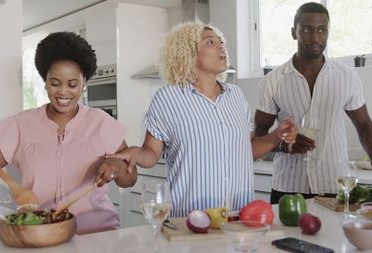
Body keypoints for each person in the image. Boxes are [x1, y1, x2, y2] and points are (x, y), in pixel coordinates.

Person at [107, 22, 297, 217]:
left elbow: (246, 148)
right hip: (189, 220)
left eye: (221, 42)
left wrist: (277, 135)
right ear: (189, 53)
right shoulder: (168, 97)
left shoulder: (236, 95)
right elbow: (151, 153)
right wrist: (134, 154)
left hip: (237, 216)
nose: (221, 46)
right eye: (210, 42)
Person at [0, 32, 137, 234]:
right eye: (55, 83)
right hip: (42, 234)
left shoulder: (101, 122)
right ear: (45, 81)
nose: (63, 92)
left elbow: (129, 180)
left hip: (98, 235)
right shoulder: (22, 124)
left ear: (84, 83)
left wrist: (118, 166)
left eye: (72, 84)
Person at [254, 2, 372, 204]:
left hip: (334, 185)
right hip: (288, 187)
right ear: (293, 33)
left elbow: (364, 123)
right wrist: (285, 146)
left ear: (328, 32)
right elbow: (260, 134)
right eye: (306, 29)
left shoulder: (346, 76)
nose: (315, 37)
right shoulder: (273, 80)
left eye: (321, 30)